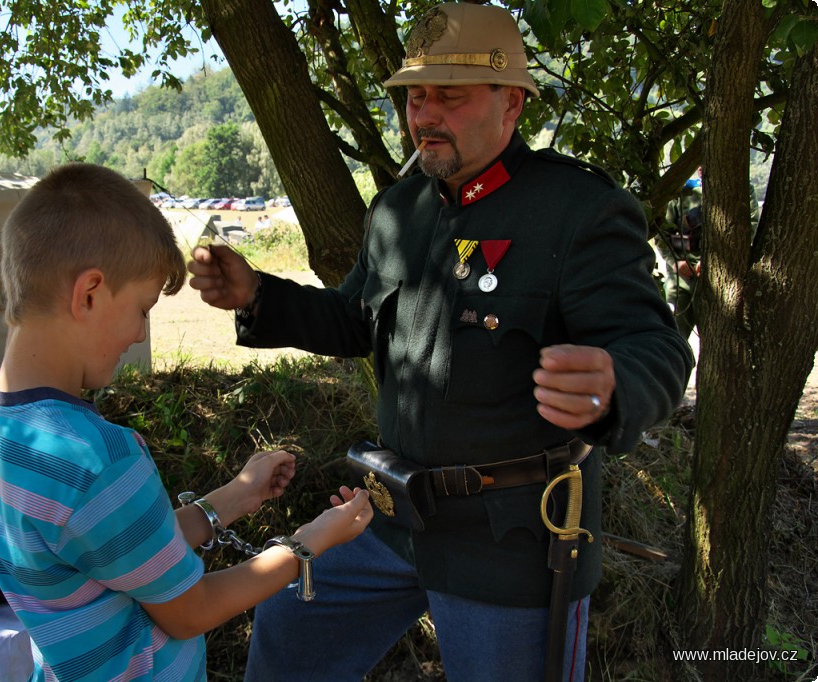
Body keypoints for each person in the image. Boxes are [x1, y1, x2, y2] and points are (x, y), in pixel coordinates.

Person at [187, 4, 693, 680]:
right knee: (290, 623)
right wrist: (259, 295)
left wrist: (612, 383)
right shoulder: (400, 209)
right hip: (390, 521)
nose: (424, 114)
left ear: (511, 103)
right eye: (415, 96)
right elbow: (355, 321)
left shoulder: (577, 211)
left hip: (513, 544)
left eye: (448, 96)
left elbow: (656, 349)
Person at [0, 163, 372, 682]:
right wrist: (307, 544)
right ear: (89, 293)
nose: (138, 334)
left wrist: (234, 497)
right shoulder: (96, 458)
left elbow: (119, 550)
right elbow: (191, 610)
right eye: (142, 308)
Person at [658, 165, 760, 338]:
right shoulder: (681, 192)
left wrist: (718, 262)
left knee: (717, 341)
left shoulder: (742, 189)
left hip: (721, 281)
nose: (702, 167)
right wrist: (675, 262)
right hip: (681, 279)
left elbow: (748, 229)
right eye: (698, 162)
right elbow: (662, 233)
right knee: (672, 338)